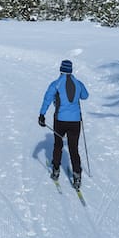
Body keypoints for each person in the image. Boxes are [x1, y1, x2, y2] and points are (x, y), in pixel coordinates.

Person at [38, 59, 89, 189]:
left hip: (60, 120)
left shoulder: (56, 84)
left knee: (58, 145)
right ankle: (77, 176)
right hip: (75, 121)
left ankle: (56, 170)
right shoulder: (78, 83)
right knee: (73, 148)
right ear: (71, 70)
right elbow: (85, 96)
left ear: (60, 69)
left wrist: (42, 115)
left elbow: (47, 98)